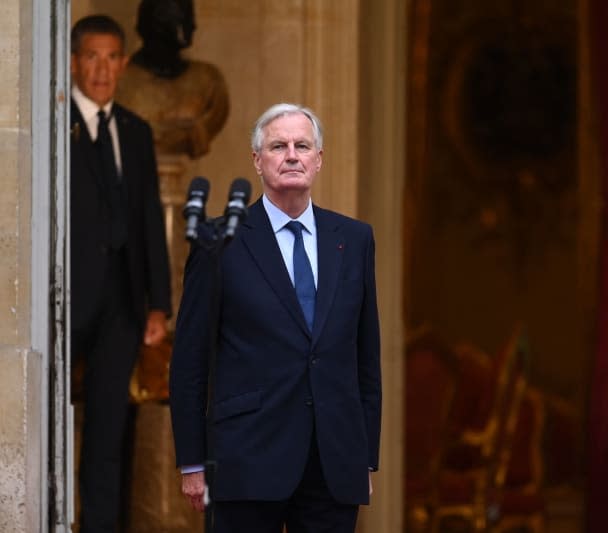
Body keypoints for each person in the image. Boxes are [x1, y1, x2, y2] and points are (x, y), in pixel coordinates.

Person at [169, 103, 381, 532]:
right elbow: (190, 361)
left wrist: (366, 458)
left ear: (318, 160)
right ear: (257, 160)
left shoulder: (354, 239)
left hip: (333, 462)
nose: (291, 155)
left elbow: (365, 359)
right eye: (278, 146)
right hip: (246, 458)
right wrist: (192, 461)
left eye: (302, 146)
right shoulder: (219, 241)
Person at [70, 14, 171, 533]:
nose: (102, 69)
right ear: (73, 62)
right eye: (92, 57)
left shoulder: (135, 131)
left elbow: (150, 218)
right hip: (62, 301)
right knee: (51, 425)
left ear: (124, 64)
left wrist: (159, 305)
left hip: (122, 306)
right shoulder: (52, 128)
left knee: (110, 436)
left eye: (112, 58)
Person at [115, 0, 229, 159]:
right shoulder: (117, 80)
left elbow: (213, 119)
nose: (194, 25)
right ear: (158, 22)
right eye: (186, 17)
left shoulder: (208, 82)